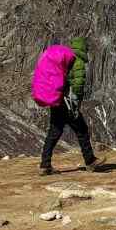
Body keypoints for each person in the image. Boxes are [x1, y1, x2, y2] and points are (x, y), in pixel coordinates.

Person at [39, 37, 106, 175]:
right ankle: (90, 161)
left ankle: (45, 165)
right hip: (68, 103)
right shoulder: (78, 61)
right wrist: (75, 105)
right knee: (82, 130)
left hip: (57, 99)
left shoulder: (66, 59)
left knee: (54, 131)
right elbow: (78, 85)